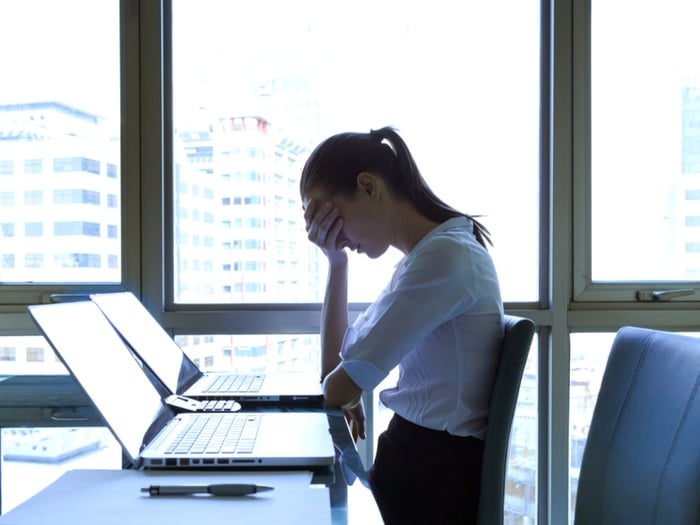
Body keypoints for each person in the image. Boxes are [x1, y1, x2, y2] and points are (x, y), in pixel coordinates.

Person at [301, 126, 503, 524]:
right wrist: (336, 262)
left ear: (368, 187)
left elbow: (337, 387)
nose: (334, 237)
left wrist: (346, 386)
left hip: (430, 484)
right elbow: (336, 377)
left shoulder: (445, 260)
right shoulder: (424, 258)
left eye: (330, 218)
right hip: (416, 470)